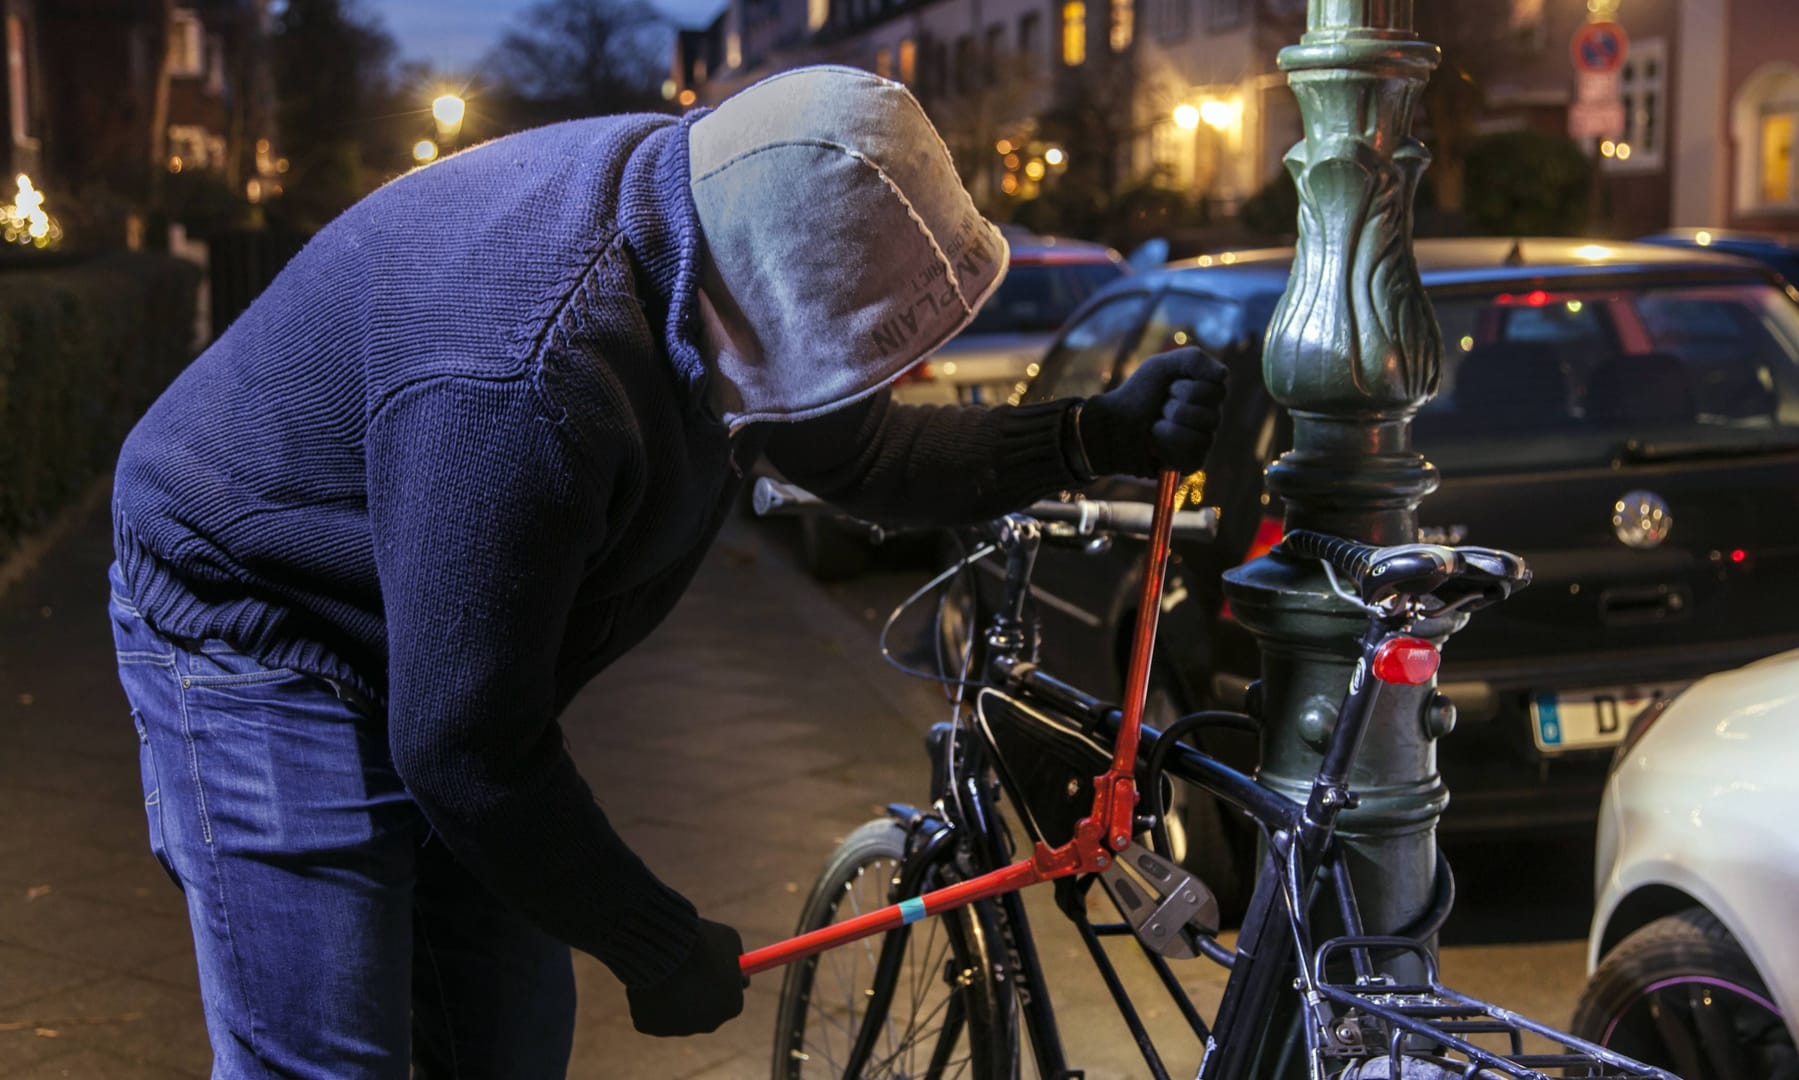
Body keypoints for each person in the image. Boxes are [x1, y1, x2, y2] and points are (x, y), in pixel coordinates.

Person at [107, 65, 1226, 1077]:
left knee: (506, 1036)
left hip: (427, 643)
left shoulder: (729, 216)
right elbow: (466, 749)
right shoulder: (529, 373)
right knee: (331, 1058)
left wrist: (1086, 435)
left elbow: (867, 453)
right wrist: (651, 939)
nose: (914, 374)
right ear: (755, 307)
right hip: (254, 614)